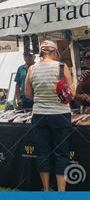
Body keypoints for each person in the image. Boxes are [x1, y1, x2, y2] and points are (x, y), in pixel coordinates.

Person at [25, 40, 75, 191]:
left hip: (39, 115)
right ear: (54, 52)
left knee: (43, 152)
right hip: (60, 114)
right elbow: (71, 93)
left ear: (41, 53)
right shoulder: (61, 67)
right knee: (61, 153)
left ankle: (46, 189)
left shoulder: (32, 69)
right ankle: (61, 191)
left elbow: (28, 94)